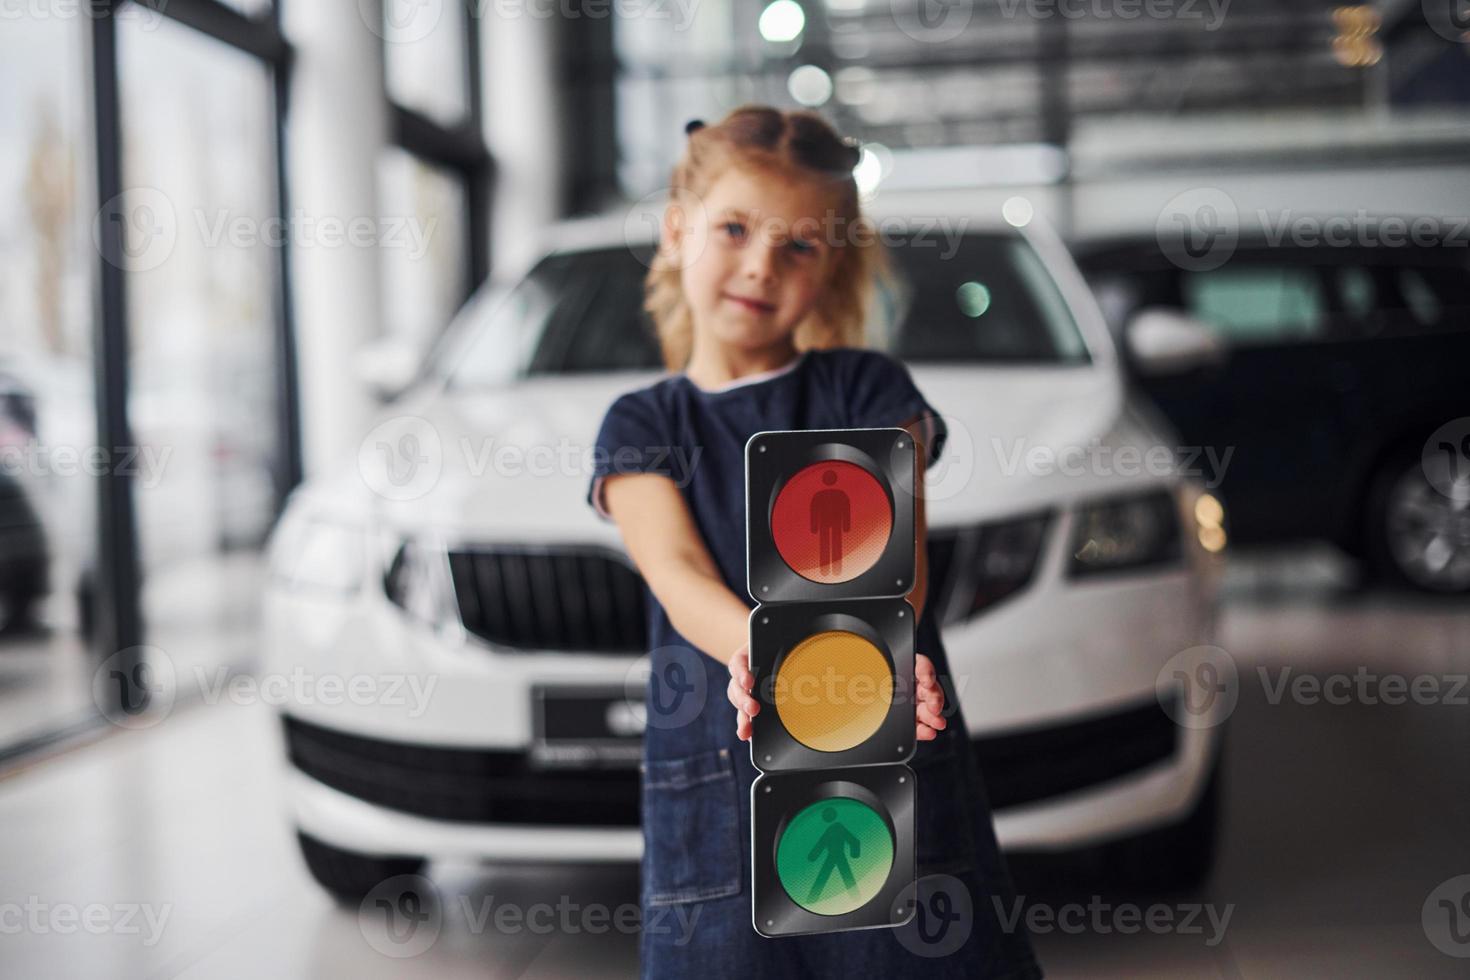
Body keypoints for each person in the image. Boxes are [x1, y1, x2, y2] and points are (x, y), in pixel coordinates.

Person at [586, 104, 1043, 979]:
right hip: (724, 750)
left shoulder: (867, 390)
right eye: (735, 228)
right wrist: (770, 656)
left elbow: (893, 563)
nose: (762, 265)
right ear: (678, 231)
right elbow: (675, 574)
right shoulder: (643, 422)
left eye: (799, 246)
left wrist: (867, 659)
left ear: (831, 264)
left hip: (874, 726)